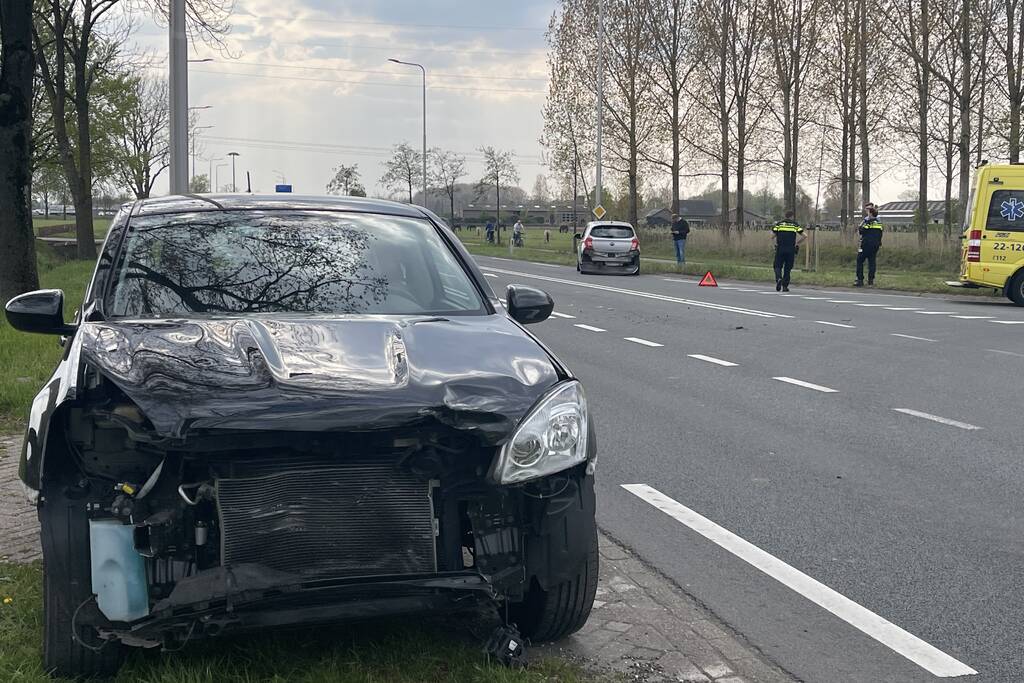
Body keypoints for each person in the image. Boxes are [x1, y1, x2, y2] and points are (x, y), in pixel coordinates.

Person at [771, 210, 806, 292]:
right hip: (790, 249)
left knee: (777, 265)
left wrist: (774, 245)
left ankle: (779, 278)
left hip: (780, 248)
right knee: (788, 268)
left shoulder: (779, 224)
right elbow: (805, 236)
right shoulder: (794, 225)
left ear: (785, 216)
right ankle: (785, 286)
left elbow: (772, 236)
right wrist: (797, 243)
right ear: (792, 216)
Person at [854, 204, 883, 287]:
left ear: (871, 213)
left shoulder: (868, 223)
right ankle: (871, 280)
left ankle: (860, 280)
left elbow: (862, 231)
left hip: (865, 245)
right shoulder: (879, 223)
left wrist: (860, 227)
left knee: (859, 260)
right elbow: (880, 233)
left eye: (868, 212)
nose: (867, 213)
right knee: (872, 262)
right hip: (875, 245)